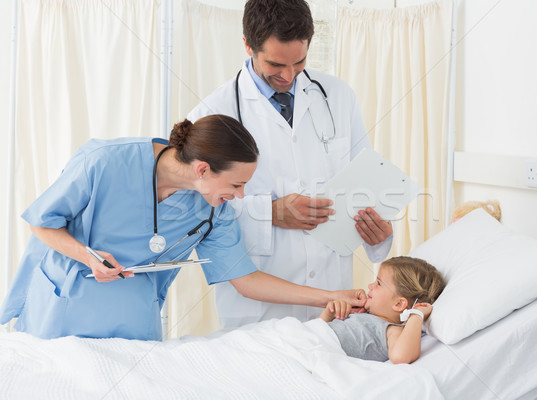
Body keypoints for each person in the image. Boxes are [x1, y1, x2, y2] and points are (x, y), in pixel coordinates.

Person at [0, 115, 366, 341]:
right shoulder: (104, 162)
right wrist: (88, 256)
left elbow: (245, 278)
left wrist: (329, 296)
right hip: (64, 310)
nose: (239, 197)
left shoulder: (211, 210)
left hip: (133, 322)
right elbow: (41, 222)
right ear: (203, 169)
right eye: (236, 185)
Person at [187, 0, 394, 328]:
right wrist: (270, 214)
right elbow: (195, 212)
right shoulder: (212, 112)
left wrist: (377, 232)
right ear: (247, 44)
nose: (288, 75)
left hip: (333, 300)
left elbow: (364, 185)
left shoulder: (338, 96)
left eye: (299, 62)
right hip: (258, 312)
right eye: (275, 64)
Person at [319, 256, 446, 364]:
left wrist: (416, 315)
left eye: (378, 283)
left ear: (398, 304)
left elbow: (400, 356)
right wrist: (328, 315)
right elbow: (316, 331)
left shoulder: (391, 330)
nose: (370, 286)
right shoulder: (361, 313)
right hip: (308, 339)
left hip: (317, 352)